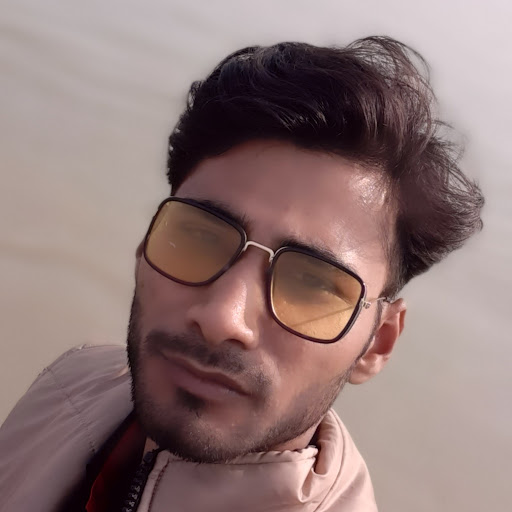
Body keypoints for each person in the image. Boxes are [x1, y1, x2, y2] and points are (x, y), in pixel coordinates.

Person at [0, 36, 483, 512]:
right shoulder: (70, 385)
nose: (221, 318)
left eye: (312, 282)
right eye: (200, 235)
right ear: (146, 244)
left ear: (377, 343)